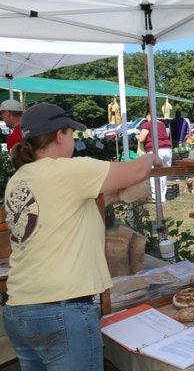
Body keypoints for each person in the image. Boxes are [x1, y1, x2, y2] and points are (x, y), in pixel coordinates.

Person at [3, 102, 160, 370]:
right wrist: (150, 156)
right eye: (72, 134)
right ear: (59, 135)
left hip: (19, 308)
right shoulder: (68, 169)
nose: (73, 140)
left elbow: (66, 208)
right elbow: (135, 171)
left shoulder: (19, 179)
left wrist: (116, 196)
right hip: (62, 310)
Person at [137, 111, 172, 203]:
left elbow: (142, 138)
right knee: (164, 173)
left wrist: (137, 136)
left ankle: (156, 197)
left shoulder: (147, 124)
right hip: (167, 149)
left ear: (148, 116)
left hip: (155, 150)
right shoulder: (162, 124)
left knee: (154, 174)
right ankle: (163, 196)